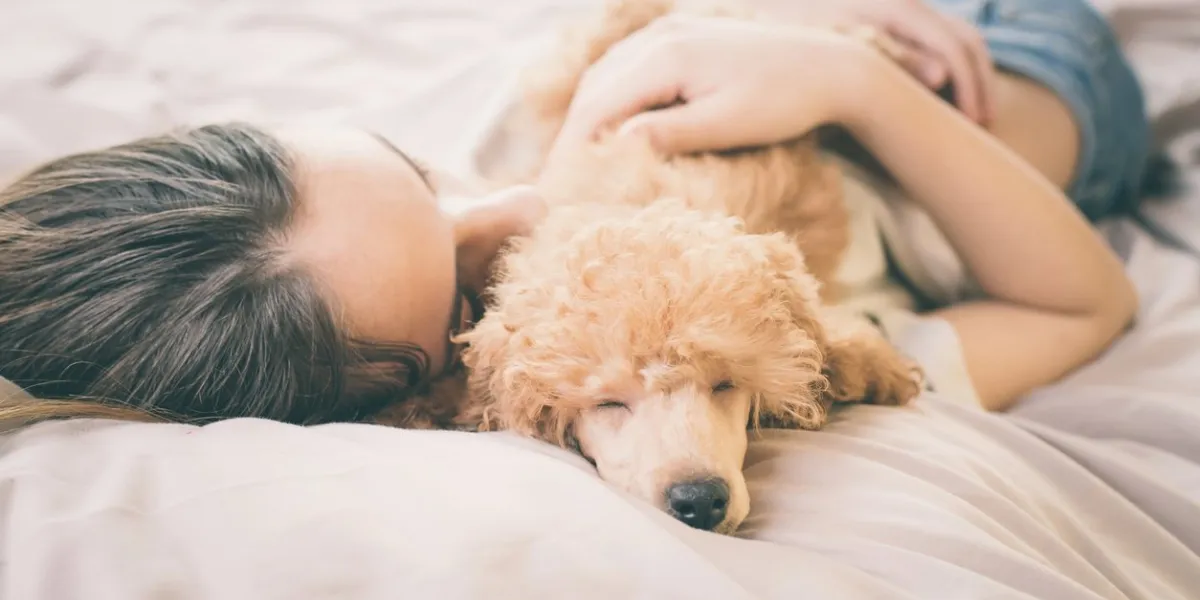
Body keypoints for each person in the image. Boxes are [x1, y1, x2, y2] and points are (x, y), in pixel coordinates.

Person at [0, 0, 1146, 426]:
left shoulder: (383, 238)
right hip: (1017, 68)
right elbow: (1081, 299)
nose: (515, 200)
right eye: (464, 286)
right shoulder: (717, 343)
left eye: (421, 171)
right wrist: (853, 81)